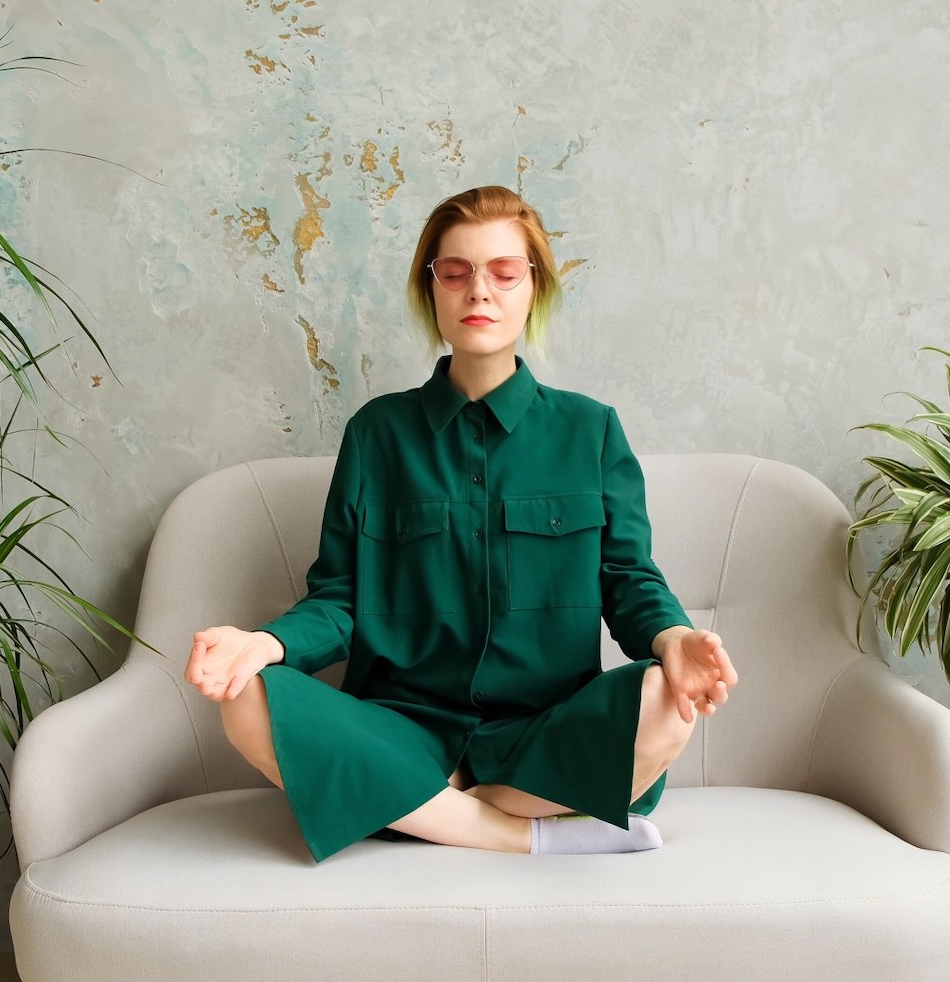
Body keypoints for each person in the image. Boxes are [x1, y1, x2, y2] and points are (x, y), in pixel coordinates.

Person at [185, 186, 737, 863]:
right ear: (433, 289)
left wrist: (675, 638)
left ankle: (420, 811)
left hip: (545, 732)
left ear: (534, 288)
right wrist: (265, 644)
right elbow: (340, 599)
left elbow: (628, 580)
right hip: (403, 733)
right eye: (456, 272)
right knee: (245, 698)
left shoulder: (591, 430)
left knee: (665, 698)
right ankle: (517, 831)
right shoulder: (376, 434)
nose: (480, 291)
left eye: (504, 272)